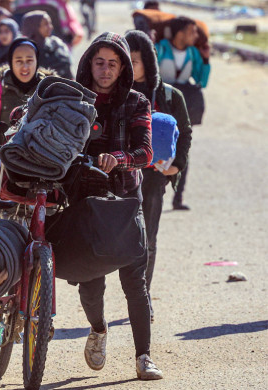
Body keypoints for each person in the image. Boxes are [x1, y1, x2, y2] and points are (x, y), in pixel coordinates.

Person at [73, 32, 162, 380]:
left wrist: (119, 159)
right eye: (99, 62)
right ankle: (98, 329)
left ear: (123, 67)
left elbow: (146, 153)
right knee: (90, 282)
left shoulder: (138, 101)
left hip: (126, 201)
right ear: (89, 64)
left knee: (134, 281)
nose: (105, 70)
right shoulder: (76, 98)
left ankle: (144, 356)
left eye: (112, 63)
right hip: (85, 201)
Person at [124, 30, 192, 322]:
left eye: (134, 61)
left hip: (152, 181)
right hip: (117, 178)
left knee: (147, 239)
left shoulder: (169, 96)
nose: (128, 66)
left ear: (148, 63)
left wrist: (176, 167)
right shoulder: (113, 95)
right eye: (123, 60)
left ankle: (142, 296)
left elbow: (185, 135)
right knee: (109, 240)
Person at [0, 38, 50, 214]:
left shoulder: (50, 90)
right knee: (0, 237)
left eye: (29, 61)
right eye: (19, 61)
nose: (25, 67)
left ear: (37, 61)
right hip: (3, 179)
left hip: (44, 178)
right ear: (10, 63)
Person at [155, 16, 210, 210]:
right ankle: (155, 191)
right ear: (180, 33)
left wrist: (205, 60)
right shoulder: (160, 48)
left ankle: (178, 198)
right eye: (191, 31)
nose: (195, 35)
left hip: (181, 105)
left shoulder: (193, 53)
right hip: (160, 106)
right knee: (158, 149)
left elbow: (201, 81)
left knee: (182, 150)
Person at [20, 10, 74, 79]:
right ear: (34, 27)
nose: (50, 27)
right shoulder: (26, 50)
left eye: (50, 23)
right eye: (46, 24)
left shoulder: (56, 43)